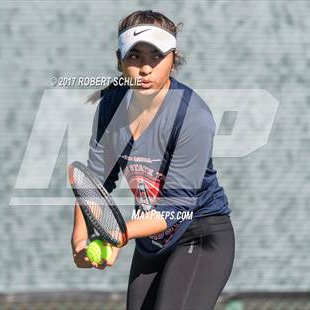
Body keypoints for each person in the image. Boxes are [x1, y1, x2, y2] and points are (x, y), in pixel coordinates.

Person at [71, 10, 235, 310]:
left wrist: (119, 234)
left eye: (155, 56)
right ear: (120, 60)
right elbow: (94, 183)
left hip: (199, 233)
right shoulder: (111, 106)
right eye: (134, 56)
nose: (145, 67)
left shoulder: (193, 117)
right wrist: (81, 240)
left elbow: (175, 209)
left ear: (173, 59)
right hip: (152, 242)